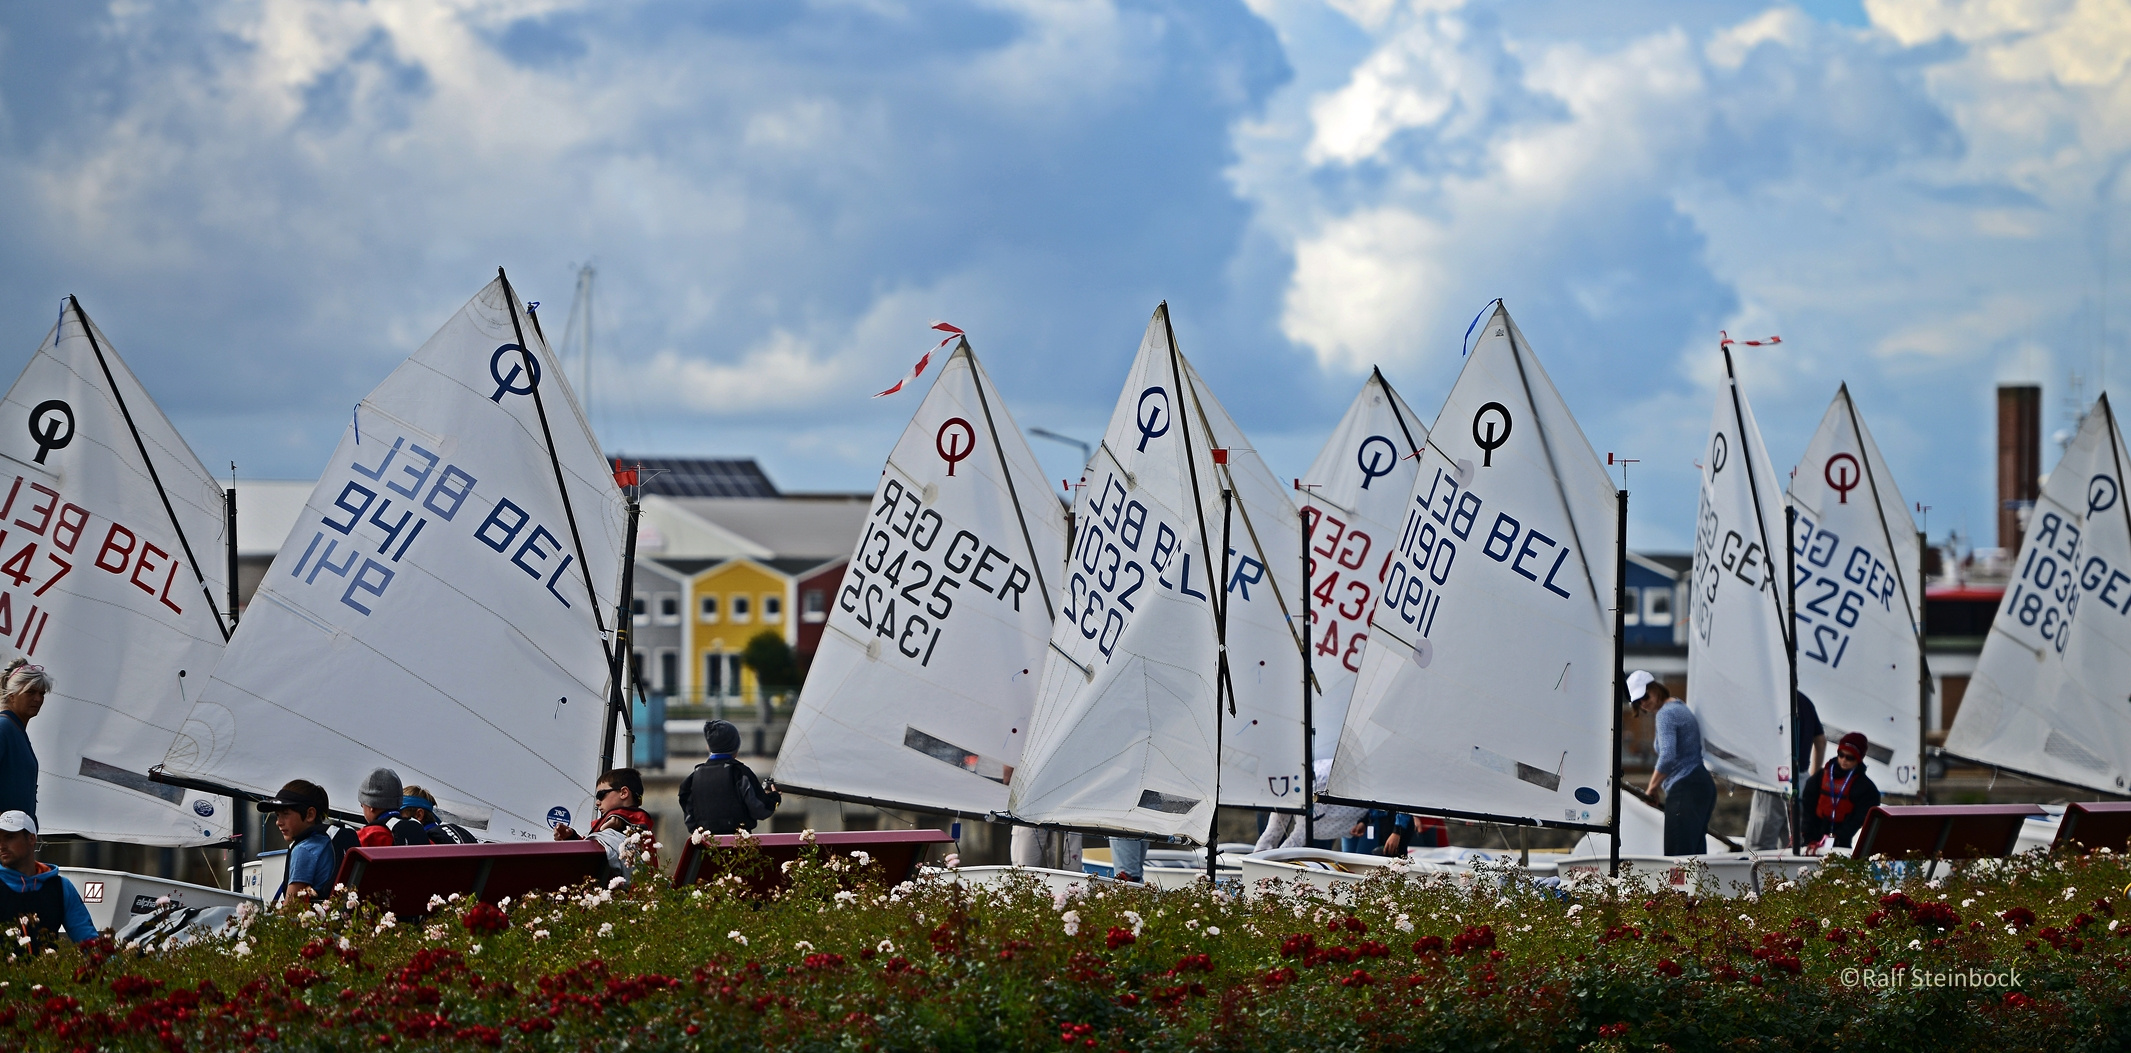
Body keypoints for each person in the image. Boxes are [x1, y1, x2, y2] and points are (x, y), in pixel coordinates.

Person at [1631, 670, 1715, 857]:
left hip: (1685, 787)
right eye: (1638, 702)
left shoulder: (1665, 714)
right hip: (1701, 785)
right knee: (1695, 857)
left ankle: (1680, 889)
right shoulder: (1679, 706)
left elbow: (1668, 756)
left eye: (1645, 696)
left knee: (1677, 858)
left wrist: (1651, 789)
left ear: (1655, 688)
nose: (1644, 703)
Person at [0, 810, 95, 947]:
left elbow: (89, 941)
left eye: (10, 837)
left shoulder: (61, 887)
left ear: (31, 838)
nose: (2, 846)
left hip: (47, 967)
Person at [1746, 692, 1825, 852]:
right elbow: (1821, 741)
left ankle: (1754, 877)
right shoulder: (1805, 701)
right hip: (1801, 780)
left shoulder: (1770, 699)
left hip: (1773, 780)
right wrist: (1812, 780)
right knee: (1794, 846)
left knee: (1759, 846)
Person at [553, 768, 659, 882]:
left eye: (601, 794)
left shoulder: (636, 829)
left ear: (623, 793)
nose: (597, 802)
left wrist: (605, 830)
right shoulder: (634, 823)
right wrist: (572, 837)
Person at [679, 721, 779, 835]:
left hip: (707, 847)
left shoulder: (693, 778)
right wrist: (773, 797)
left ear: (708, 747)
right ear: (736, 747)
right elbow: (761, 810)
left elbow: (690, 818)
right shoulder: (741, 774)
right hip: (739, 846)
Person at [258, 779, 342, 910]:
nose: (278, 822)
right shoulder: (327, 842)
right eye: (277, 815)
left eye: (285, 814)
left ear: (310, 814)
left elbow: (291, 908)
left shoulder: (304, 850)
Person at [1802, 732, 1882, 850]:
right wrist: (1806, 832)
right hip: (1813, 835)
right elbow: (1807, 804)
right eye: (1841, 755)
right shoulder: (1820, 776)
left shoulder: (1866, 788)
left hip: (1841, 841)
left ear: (1859, 759)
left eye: (1850, 757)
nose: (1844, 760)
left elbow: (1860, 818)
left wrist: (1839, 836)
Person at [0, 661, 52, 820]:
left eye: (42, 694)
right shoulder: (4, 728)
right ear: (12, 696)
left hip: (18, 836)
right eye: (31, 692)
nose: (38, 699)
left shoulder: (16, 730)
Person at [355, 768, 428, 847]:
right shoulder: (419, 833)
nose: (362, 806)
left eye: (362, 804)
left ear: (371, 806)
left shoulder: (366, 836)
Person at [400, 785, 478, 845]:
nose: (396, 819)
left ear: (419, 814)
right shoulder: (458, 831)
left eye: (400, 814)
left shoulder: (425, 841)